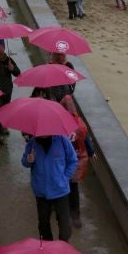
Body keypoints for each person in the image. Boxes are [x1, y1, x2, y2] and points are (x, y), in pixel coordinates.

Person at [22, 133, 77, 242]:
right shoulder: (32, 142)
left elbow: (73, 160)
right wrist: (29, 160)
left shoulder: (62, 140)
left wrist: (65, 178)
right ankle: (47, 248)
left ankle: (63, 246)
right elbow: (24, 162)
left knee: (64, 224)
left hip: (60, 191)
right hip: (41, 191)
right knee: (43, 224)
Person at [60, 95, 94, 228]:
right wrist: (91, 152)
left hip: (67, 160)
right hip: (72, 160)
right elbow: (86, 139)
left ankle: (70, 213)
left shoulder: (60, 121)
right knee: (72, 187)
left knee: (68, 186)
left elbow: (85, 139)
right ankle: (74, 214)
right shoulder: (79, 123)